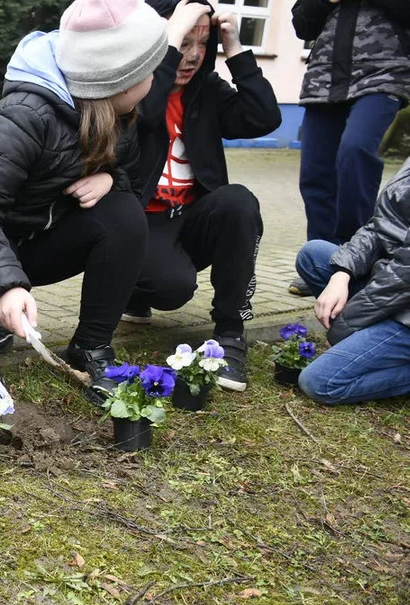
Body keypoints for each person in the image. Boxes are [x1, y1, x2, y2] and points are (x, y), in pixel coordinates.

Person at [0, 0, 167, 394]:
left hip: (49, 239)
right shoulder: (24, 115)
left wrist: (109, 180)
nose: (156, 76)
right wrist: (6, 284)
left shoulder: (123, 114)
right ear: (120, 77)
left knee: (125, 214)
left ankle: (90, 348)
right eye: (149, 68)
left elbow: (130, 185)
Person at [123, 0, 281, 392]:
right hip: (141, 219)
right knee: (172, 288)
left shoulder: (207, 90)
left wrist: (235, 47)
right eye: (183, 42)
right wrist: (166, 48)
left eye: (203, 43)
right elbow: (144, 112)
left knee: (239, 201)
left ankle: (230, 333)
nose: (192, 56)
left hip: (192, 216)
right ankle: (132, 290)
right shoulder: (133, 85)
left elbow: (264, 118)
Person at [289, 0, 410, 297]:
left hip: (383, 75)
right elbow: (301, 24)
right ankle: (322, 259)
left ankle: (356, 259)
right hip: (324, 80)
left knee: (355, 153)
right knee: (315, 174)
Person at [295, 158, 410, 404]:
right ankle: (365, 344)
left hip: (405, 312)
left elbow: (403, 276)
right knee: (313, 255)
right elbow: (379, 227)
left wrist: (346, 325)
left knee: (319, 382)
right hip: (395, 292)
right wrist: (342, 274)